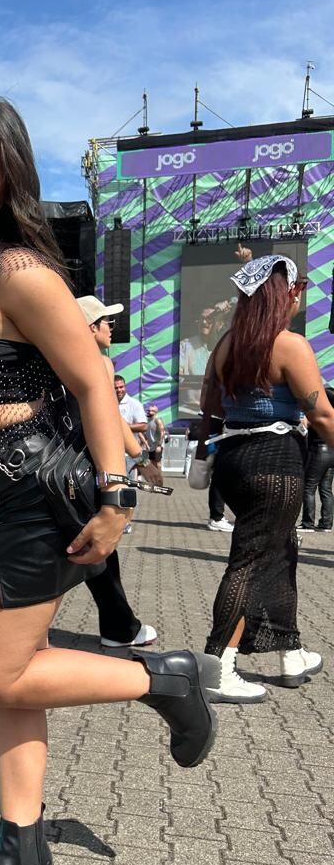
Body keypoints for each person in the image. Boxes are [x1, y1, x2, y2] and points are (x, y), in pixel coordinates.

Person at [0, 98, 219, 865]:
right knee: (17, 683)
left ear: (11, 180)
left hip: (39, 492)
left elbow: (92, 386)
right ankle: (23, 851)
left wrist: (118, 500)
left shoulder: (21, 274)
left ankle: (162, 676)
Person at [196, 248, 334, 701]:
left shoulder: (226, 344)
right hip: (275, 461)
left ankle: (290, 650)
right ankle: (219, 664)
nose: (299, 298)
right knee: (252, 560)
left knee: (280, 550)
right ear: (283, 293)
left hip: (234, 459)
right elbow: (323, 416)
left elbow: (209, 406)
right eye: (297, 289)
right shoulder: (289, 344)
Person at [76, 295, 157, 649]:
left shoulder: (56, 359)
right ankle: (119, 627)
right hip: (88, 467)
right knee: (97, 549)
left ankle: (120, 624)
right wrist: (140, 463)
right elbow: (109, 417)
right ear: (91, 328)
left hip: (61, 466)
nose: (111, 327)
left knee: (94, 551)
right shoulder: (98, 363)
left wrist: (140, 458)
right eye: (106, 322)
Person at [301, 384, 334, 530]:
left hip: (319, 451)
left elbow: (304, 424)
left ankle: (308, 522)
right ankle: (326, 523)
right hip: (332, 452)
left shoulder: (318, 414)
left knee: (308, 487)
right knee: (326, 489)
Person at [143, 404, 165, 487]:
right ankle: (154, 481)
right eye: (148, 410)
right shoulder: (149, 421)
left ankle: (159, 482)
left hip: (157, 446)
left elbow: (162, 432)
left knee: (157, 463)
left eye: (150, 410)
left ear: (155, 412)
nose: (148, 412)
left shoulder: (157, 420)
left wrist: (159, 445)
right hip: (150, 446)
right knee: (151, 464)